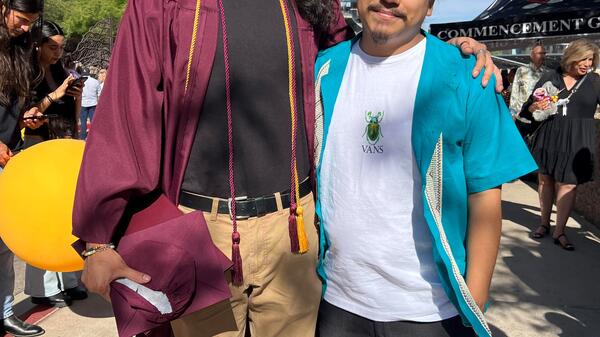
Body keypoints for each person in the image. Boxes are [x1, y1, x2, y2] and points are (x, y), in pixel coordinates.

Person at [71, 0, 501, 336]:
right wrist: (97, 238)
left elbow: (372, 53)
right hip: (200, 232)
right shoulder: (166, 6)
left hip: (294, 231)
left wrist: (457, 52)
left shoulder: (314, 7)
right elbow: (128, 109)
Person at [313, 0, 537, 336]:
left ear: (431, 7)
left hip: (431, 312)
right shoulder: (323, 68)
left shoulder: (467, 75)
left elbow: (486, 202)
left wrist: (473, 302)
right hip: (336, 301)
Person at [22, 19, 88, 308]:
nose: (58, 53)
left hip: (62, 147)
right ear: (37, 45)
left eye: (60, 47)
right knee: (41, 218)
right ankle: (42, 286)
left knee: (67, 216)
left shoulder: (61, 71)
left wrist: (74, 98)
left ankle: (71, 279)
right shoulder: (25, 73)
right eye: (52, 47)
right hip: (36, 148)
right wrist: (55, 95)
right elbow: (27, 114)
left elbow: (70, 116)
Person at [525, 39, 600, 250]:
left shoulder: (594, 81)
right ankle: (543, 224)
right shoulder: (551, 76)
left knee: (569, 184)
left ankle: (560, 232)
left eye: (590, 59)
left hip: (577, 138)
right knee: (545, 180)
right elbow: (529, 108)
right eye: (582, 59)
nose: (586, 63)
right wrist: (535, 106)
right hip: (550, 134)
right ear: (571, 57)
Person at [0, 0, 46, 336]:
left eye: (32, 21)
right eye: (21, 19)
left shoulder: (22, 49)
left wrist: (27, 115)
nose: (27, 27)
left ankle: (4, 312)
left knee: (5, 244)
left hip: (10, 158)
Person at [510, 41, 548, 136]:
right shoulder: (521, 71)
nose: (543, 56)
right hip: (521, 118)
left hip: (539, 118)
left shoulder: (548, 73)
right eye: (540, 53)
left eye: (544, 54)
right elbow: (515, 92)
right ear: (531, 55)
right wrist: (512, 114)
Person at [79, 69, 101, 140]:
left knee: (83, 121)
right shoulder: (95, 81)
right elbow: (99, 93)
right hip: (93, 103)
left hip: (83, 103)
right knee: (93, 121)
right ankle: (94, 136)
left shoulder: (80, 81)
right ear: (89, 73)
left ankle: (82, 137)